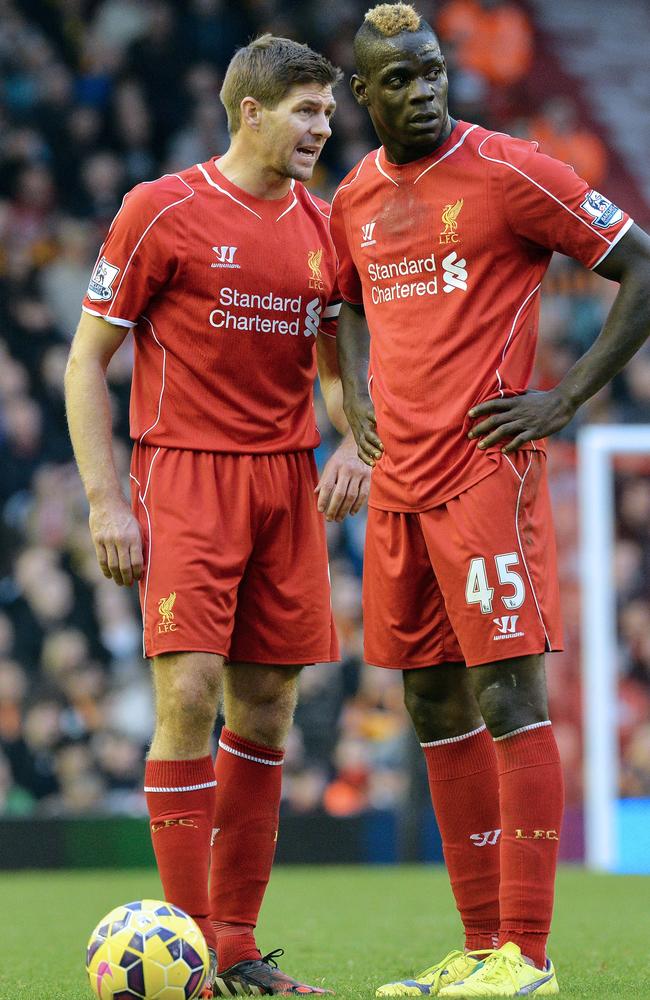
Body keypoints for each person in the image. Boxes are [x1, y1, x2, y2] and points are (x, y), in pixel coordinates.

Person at [329, 4, 650, 997]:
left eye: (433, 72)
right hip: (398, 486)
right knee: (429, 699)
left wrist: (564, 395)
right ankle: (478, 948)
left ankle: (528, 955)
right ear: (364, 93)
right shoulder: (352, 196)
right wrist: (353, 400)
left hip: (481, 475)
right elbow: (341, 301)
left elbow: (638, 265)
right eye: (403, 79)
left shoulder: (510, 170)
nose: (425, 90)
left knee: (506, 697)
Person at [65, 34, 370, 998]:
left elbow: (334, 377)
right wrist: (106, 499)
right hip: (185, 476)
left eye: (328, 112)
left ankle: (234, 945)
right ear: (250, 110)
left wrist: (359, 443)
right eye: (307, 111)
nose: (324, 127)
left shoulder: (328, 230)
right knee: (189, 694)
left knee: (269, 709)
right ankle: (188, 948)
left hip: (286, 481)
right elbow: (85, 363)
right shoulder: (161, 210)